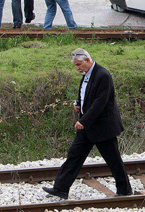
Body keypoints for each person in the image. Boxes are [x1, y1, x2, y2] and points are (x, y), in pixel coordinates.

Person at [43, 48, 132, 199]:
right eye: (75, 66)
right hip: (88, 126)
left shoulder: (103, 75)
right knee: (74, 155)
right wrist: (78, 103)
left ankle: (125, 190)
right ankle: (60, 188)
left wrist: (83, 121)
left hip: (103, 126)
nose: (77, 68)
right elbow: (85, 93)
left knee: (113, 159)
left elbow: (100, 102)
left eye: (79, 64)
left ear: (88, 60)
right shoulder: (87, 75)